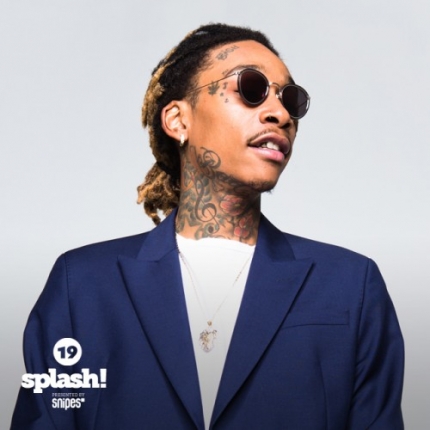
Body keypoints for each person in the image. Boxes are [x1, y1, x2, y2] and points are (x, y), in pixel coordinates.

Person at [11, 23, 404, 429]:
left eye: (291, 99)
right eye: (251, 88)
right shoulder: (81, 285)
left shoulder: (351, 287)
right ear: (178, 120)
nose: (281, 114)